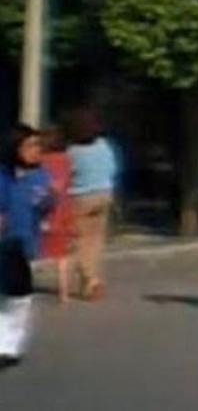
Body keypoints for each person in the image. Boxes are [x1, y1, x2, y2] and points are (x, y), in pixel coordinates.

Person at [0, 124, 54, 366]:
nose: (36, 150)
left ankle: (8, 346)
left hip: (21, 243)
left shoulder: (40, 175)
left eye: (38, 145)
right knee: (14, 294)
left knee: (18, 296)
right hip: (5, 241)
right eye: (30, 145)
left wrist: (49, 200)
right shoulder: (2, 175)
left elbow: (45, 206)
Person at [66, 109, 119, 301]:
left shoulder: (72, 152)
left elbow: (67, 176)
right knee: (96, 240)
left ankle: (90, 280)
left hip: (81, 198)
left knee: (80, 241)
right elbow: (113, 168)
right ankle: (91, 279)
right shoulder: (104, 146)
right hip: (104, 194)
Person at [40, 127, 75, 303]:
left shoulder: (40, 162)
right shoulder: (66, 160)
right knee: (62, 255)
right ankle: (64, 293)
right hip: (63, 209)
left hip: (43, 210)